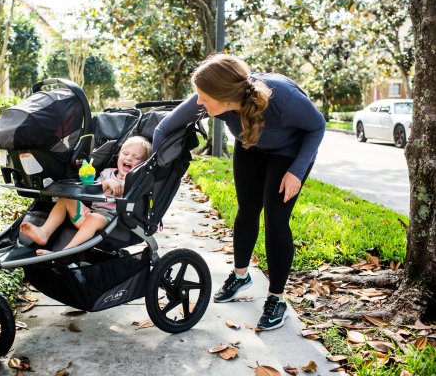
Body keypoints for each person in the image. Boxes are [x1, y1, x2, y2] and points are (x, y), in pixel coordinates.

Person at [152, 53, 325, 331]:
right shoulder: (210, 100)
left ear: (223, 96)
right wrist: (153, 180)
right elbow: (164, 127)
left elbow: (317, 126)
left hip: (290, 152)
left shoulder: (280, 98)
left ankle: (277, 298)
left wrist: (297, 170)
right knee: (246, 212)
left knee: (275, 220)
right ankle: (241, 275)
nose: (198, 102)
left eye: (203, 97)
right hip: (250, 146)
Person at [20, 136, 152, 255]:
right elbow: (92, 190)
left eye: (136, 158)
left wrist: (119, 183)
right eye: (125, 153)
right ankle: (44, 232)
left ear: (142, 164)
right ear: (118, 155)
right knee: (65, 198)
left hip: (111, 220)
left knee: (95, 217)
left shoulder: (135, 180)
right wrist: (106, 183)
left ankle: (65, 252)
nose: (129, 158)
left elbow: (126, 189)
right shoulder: (107, 172)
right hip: (89, 215)